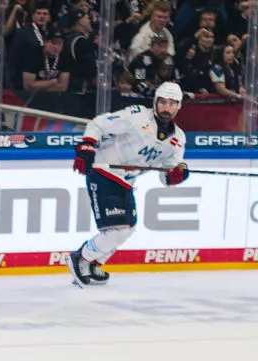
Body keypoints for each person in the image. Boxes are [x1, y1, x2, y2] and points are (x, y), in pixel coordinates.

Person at [67, 82, 189, 287]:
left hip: (126, 181)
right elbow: (98, 124)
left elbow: (167, 172)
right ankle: (81, 257)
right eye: (163, 102)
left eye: (172, 104)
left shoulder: (178, 138)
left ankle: (95, 261)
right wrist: (87, 145)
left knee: (128, 229)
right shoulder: (137, 116)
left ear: (179, 107)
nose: (167, 108)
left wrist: (176, 175)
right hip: (104, 171)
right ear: (155, 102)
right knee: (119, 229)